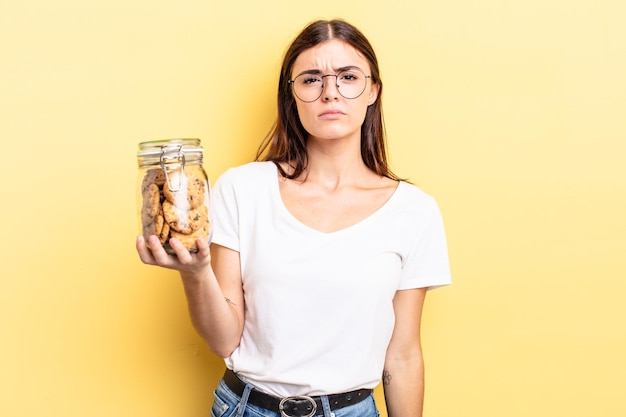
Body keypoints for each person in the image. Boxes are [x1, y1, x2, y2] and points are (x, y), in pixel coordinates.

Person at [137, 18, 451, 417]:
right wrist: (196, 273)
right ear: (293, 95)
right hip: (247, 408)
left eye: (348, 76)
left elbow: (403, 356)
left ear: (372, 91)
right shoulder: (241, 189)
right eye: (311, 79)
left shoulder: (414, 211)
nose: (330, 92)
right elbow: (225, 341)